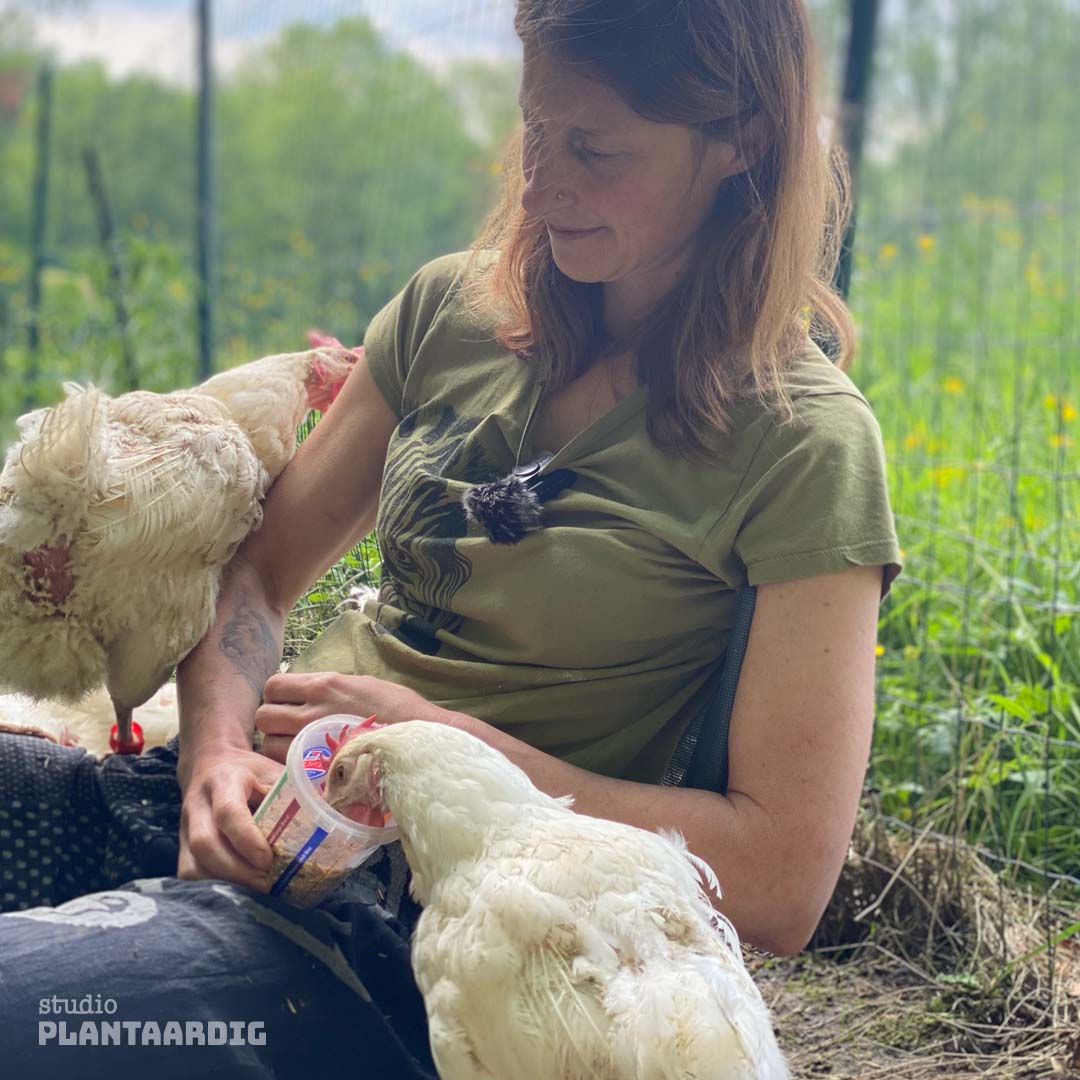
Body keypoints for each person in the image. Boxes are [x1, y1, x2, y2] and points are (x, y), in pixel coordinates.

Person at [0, 1, 902, 1075]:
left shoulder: (804, 444)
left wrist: (439, 749)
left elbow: (783, 881)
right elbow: (256, 575)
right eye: (537, 132)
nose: (542, 188)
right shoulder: (450, 312)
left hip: (432, 932)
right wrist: (215, 759)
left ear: (742, 139)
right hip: (255, 811)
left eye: (596, 150)